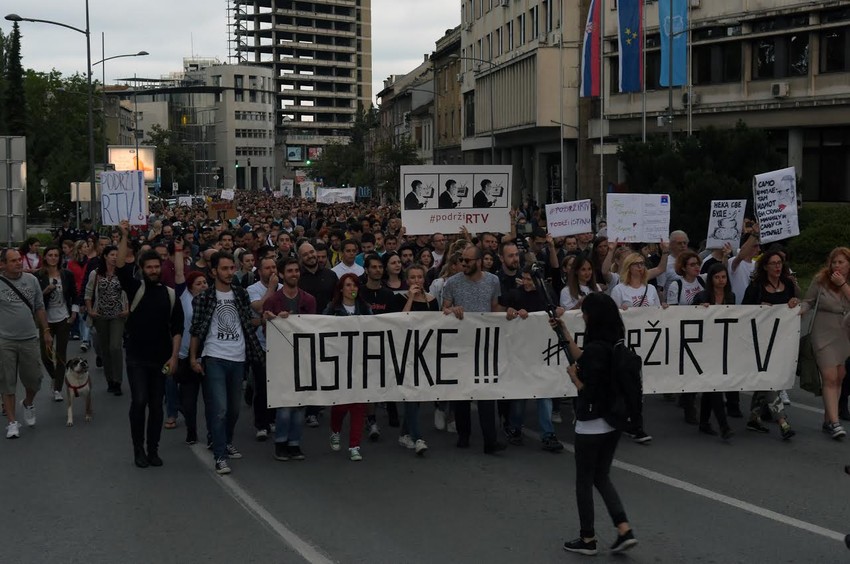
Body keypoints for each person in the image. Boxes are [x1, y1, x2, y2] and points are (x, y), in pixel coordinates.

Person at [553, 293, 638, 556]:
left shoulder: (596, 348)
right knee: (601, 475)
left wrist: (574, 380)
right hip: (613, 421)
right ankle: (623, 528)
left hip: (591, 423)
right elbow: (582, 356)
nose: (584, 316)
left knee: (584, 480)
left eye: (586, 313)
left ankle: (587, 538)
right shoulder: (614, 343)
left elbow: (587, 390)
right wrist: (564, 331)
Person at [115, 220, 184, 468]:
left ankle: (153, 449)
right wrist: (124, 236)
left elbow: (177, 329)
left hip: (161, 358)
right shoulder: (136, 290)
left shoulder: (170, 295)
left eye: (157, 266)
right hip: (136, 357)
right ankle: (138, 448)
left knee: (156, 406)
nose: (154, 270)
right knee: (140, 401)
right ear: (143, 269)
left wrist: (174, 357)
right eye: (149, 267)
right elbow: (121, 266)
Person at [190, 251, 263, 475]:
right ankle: (220, 455)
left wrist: (265, 318)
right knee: (220, 408)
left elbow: (247, 320)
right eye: (224, 269)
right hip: (215, 358)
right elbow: (196, 329)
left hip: (238, 358)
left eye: (232, 268)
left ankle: (225, 440)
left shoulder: (240, 294)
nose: (230, 273)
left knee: (233, 410)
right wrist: (194, 358)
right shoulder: (204, 298)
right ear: (213, 272)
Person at [442, 245, 506, 454]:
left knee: (487, 394)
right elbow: (444, 309)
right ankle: (464, 434)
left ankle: (490, 440)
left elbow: (495, 307)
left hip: (485, 345)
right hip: (461, 346)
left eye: (468, 260)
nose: (463, 264)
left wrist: (510, 313)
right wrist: (452, 309)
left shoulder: (492, 281)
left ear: (478, 262)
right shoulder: (452, 282)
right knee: (462, 394)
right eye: (462, 260)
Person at [502, 265, 566, 452]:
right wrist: (511, 311)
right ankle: (514, 428)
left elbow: (555, 310)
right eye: (525, 278)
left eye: (531, 279)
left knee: (543, 393)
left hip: (542, 352)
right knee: (521, 395)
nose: (527, 282)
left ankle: (548, 434)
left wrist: (559, 310)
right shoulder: (515, 294)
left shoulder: (547, 294)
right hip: (521, 353)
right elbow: (501, 309)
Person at [263, 257, 318, 461]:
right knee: (285, 406)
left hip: (302, 359)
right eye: (290, 271)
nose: (294, 274)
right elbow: (267, 333)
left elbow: (313, 328)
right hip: (281, 361)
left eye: (296, 270)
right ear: (282, 275)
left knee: (300, 404)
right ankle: (281, 442)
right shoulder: (273, 301)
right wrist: (273, 320)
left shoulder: (309, 300)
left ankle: (294, 443)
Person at [741, 250, 798, 440]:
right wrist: (758, 309)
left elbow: (797, 306)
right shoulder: (756, 287)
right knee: (771, 380)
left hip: (782, 341)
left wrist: (794, 303)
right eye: (773, 263)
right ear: (765, 266)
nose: (777, 266)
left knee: (764, 381)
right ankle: (783, 422)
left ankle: (754, 418)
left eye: (779, 262)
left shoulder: (789, 284)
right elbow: (741, 312)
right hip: (760, 342)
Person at [0, 249, 53, 439]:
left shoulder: (31, 281)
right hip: (5, 340)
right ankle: (12, 423)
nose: (17, 263)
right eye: (12, 261)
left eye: (18, 260)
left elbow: (39, 306)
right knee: (7, 382)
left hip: (30, 337)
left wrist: (46, 331)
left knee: (35, 379)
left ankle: (28, 403)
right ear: (3, 264)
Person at [323, 273, 372, 461]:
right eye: (348, 285)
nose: (352, 288)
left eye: (355, 285)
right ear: (341, 289)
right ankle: (335, 430)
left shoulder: (365, 309)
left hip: (360, 361)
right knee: (342, 404)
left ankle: (354, 445)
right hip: (340, 362)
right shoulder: (332, 309)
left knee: (359, 404)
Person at [802, 247, 850, 440]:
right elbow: (808, 301)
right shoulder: (820, 280)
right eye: (834, 262)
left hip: (844, 331)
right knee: (829, 376)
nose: (837, 266)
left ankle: (828, 419)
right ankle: (836, 422)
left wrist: (844, 284)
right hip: (823, 330)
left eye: (841, 262)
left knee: (839, 376)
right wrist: (798, 309)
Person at [396, 263, 437, 455]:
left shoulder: (432, 299)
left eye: (419, 277)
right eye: (412, 278)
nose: (416, 281)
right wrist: (411, 297)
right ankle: (418, 436)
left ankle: (405, 434)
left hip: (425, 352)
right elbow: (401, 321)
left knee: (417, 396)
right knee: (411, 395)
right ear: (407, 280)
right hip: (406, 352)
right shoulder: (401, 298)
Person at [692, 263, 736, 439]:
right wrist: (699, 311)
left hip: (723, 346)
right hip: (705, 347)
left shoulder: (730, 296)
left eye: (723, 277)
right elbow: (688, 320)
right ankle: (724, 425)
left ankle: (704, 422)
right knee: (714, 385)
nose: (721, 281)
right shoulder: (702, 296)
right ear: (711, 279)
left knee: (711, 386)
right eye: (717, 277)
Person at [36, 245, 78, 402]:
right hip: (45, 319)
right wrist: (45, 291)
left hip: (63, 318)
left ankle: (58, 389)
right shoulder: (38, 276)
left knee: (61, 354)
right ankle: (55, 377)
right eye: (50, 255)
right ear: (45, 257)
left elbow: (75, 294)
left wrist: (74, 313)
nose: (53, 258)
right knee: (45, 355)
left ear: (60, 258)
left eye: (56, 255)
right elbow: (34, 299)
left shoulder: (67, 274)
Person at [85, 245, 129, 395]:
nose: (115, 257)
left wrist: (126, 309)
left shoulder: (122, 273)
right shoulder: (96, 274)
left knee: (115, 347)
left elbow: (128, 292)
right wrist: (90, 310)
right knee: (105, 349)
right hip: (101, 315)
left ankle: (118, 381)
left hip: (118, 315)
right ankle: (109, 379)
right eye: (112, 254)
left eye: (117, 254)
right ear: (105, 256)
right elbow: (88, 293)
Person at [247, 256, 282, 441]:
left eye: (274, 267)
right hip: (261, 345)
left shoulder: (283, 289)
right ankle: (261, 424)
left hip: (280, 346)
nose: (271, 271)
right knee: (262, 386)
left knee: (277, 385)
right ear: (260, 271)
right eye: (267, 268)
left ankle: (273, 418)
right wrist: (270, 289)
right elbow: (258, 307)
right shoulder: (253, 289)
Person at [176, 270, 207, 445]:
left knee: (212, 400)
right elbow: (180, 275)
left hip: (209, 355)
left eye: (205, 282)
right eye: (198, 283)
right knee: (189, 400)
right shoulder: (184, 298)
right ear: (189, 288)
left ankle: (213, 436)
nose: (203, 285)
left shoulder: (213, 300)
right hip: (187, 356)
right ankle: (191, 430)